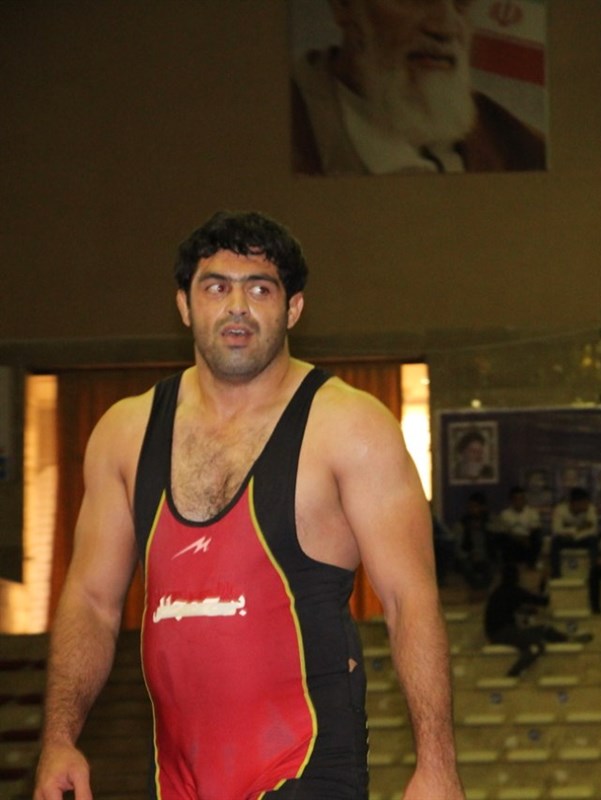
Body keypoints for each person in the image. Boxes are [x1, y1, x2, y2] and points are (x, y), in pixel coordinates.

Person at [34, 212, 464, 799]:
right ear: (185, 305)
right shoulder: (125, 433)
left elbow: (409, 600)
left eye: (259, 289)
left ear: (293, 309)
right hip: (180, 776)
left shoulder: (351, 427)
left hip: (307, 766)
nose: (237, 307)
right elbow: (91, 600)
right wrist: (59, 739)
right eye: (216, 287)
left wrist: (436, 766)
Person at [292, 0, 545, 175]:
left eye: (462, 3)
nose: (445, 27)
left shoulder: (523, 149)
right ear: (343, 6)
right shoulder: (284, 134)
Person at [484, 562, 589, 678]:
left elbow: (511, 607)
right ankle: (514, 672)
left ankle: (567, 639)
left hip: (502, 631)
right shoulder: (513, 591)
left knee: (544, 629)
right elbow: (541, 601)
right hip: (501, 633)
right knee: (536, 645)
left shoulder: (499, 592)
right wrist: (544, 581)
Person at [548, 487, 598, 578]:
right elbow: (556, 530)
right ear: (575, 503)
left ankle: (593, 572)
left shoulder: (590, 509)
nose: (587, 505)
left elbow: (593, 530)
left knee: (593, 540)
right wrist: (577, 529)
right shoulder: (560, 510)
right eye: (584, 503)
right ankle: (556, 573)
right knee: (555, 541)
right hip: (566, 540)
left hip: (582, 539)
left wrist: (574, 533)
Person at [496, 485, 545, 567]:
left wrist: (526, 538)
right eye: (516, 499)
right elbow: (503, 531)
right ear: (511, 500)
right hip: (512, 540)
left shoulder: (532, 512)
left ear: (524, 499)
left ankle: (531, 565)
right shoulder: (505, 514)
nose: (519, 501)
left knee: (537, 536)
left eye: (521, 498)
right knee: (503, 538)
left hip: (528, 540)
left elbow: (535, 528)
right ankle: (510, 567)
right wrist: (519, 539)